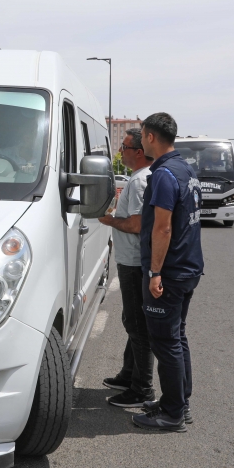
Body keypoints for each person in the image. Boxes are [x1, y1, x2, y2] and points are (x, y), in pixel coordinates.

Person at [133, 112, 204, 432]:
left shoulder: (162, 175)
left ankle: (173, 413)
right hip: (188, 267)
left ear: (149, 137)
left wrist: (154, 273)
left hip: (170, 272)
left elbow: (162, 229)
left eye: (142, 135)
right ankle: (179, 401)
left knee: (165, 341)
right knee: (177, 336)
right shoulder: (185, 167)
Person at [97, 128, 155, 407]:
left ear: (139, 152)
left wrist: (109, 221)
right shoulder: (137, 178)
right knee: (133, 320)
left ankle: (142, 389)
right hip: (130, 259)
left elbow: (137, 224)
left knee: (136, 324)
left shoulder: (141, 181)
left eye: (125, 147)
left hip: (134, 261)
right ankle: (128, 374)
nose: (121, 152)